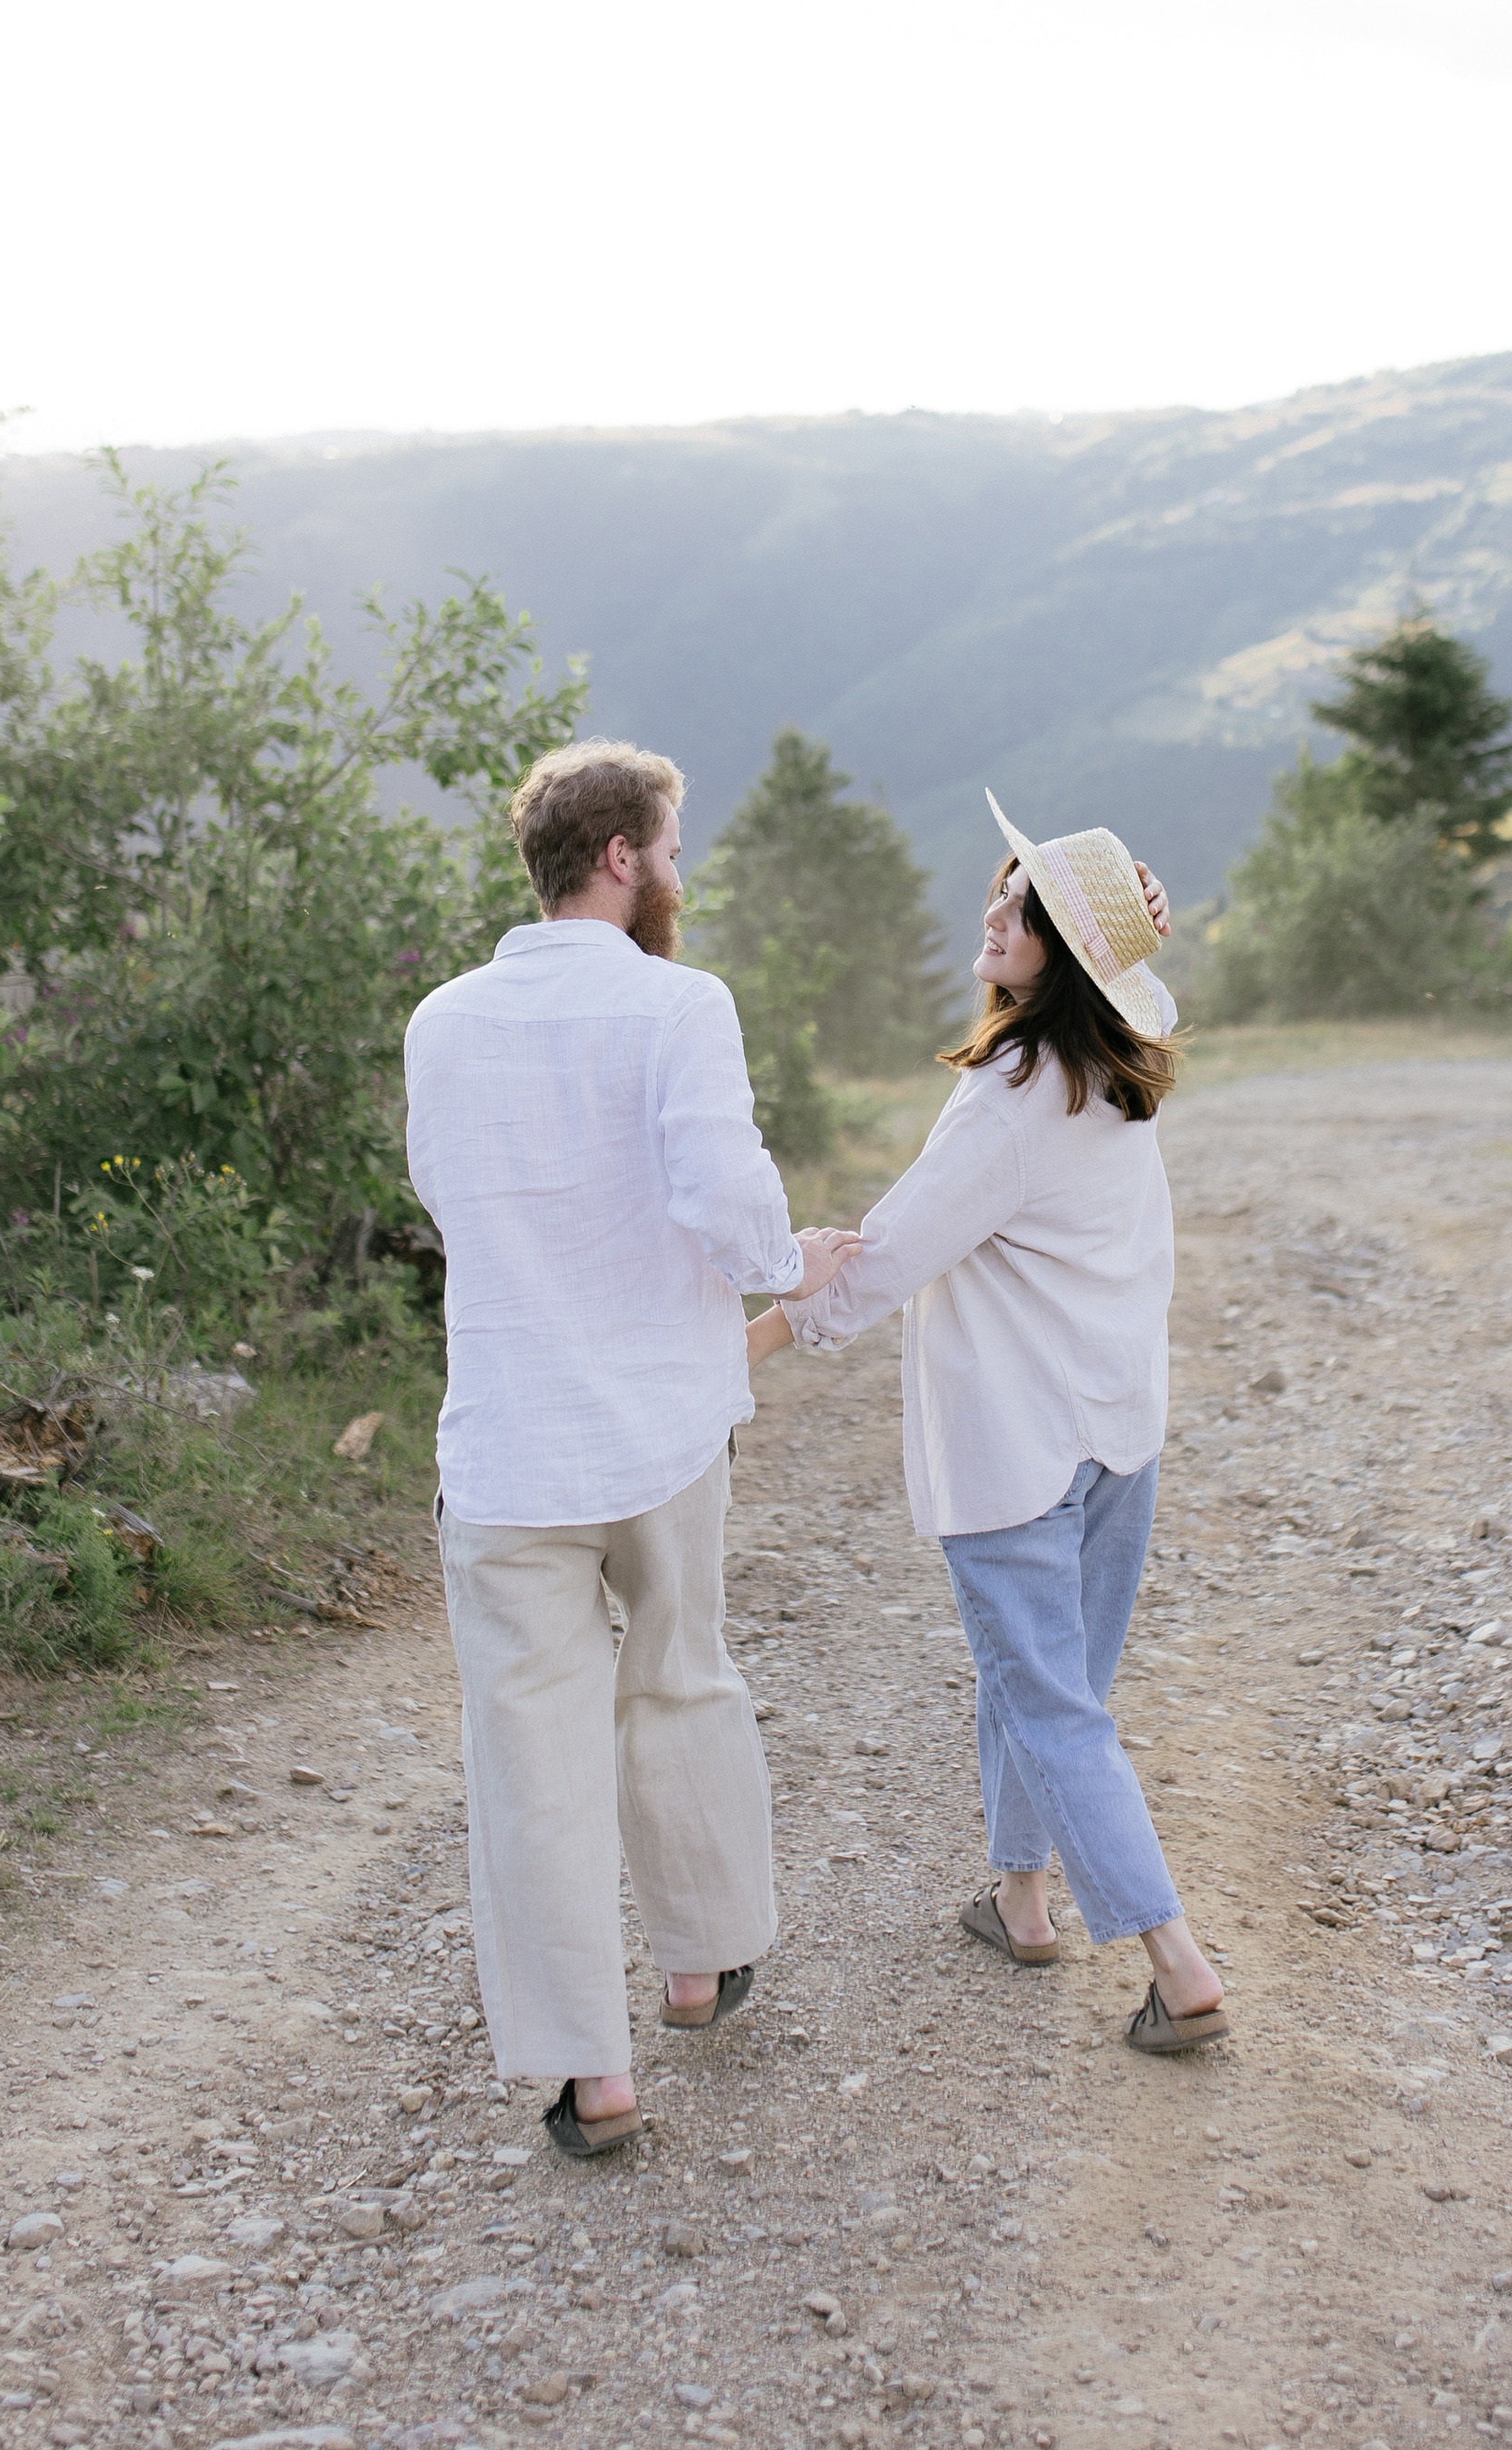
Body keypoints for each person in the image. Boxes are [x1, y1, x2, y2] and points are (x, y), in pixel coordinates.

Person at [403, 740, 860, 2159]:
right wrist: (790, 1269)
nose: (678, 873)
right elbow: (723, 1193)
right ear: (622, 858)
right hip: (660, 1426)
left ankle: (586, 2076)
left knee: (526, 1753)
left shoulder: (442, 1020)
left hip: (507, 1443)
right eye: (670, 848)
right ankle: (697, 1959)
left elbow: (449, 1203)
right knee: (679, 1678)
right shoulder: (680, 1003)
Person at [748, 792, 1227, 2055]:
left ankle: (1177, 1965)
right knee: (1053, 1685)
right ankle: (1022, 1897)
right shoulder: (1118, 1061)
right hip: (1116, 1431)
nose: (993, 913)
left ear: (1058, 954)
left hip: (1021, 1446)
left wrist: (735, 1354)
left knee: (1053, 1701)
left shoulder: (1013, 1091)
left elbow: (885, 1257)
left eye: (1022, 907)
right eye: (1002, 890)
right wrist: (1126, 916)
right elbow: (1135, 968)